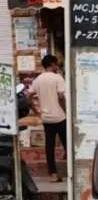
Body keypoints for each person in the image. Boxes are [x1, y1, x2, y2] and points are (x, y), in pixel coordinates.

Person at [29, 54, 67, 182]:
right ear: (52, 64)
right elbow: (61, 96)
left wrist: (36, 112)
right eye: (56, 64)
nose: (57, 66)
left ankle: (53, 174)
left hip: (46, 118)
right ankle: (71, 172)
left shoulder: (38, 80)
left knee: (49, 147)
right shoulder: (57, 78)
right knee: (67, 144)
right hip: (60, 117)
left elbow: (28, 95)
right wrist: (66, 110)